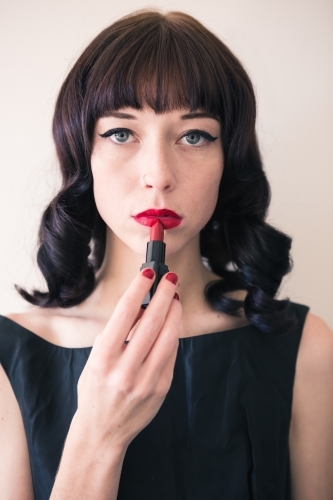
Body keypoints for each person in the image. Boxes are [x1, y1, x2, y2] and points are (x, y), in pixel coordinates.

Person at [0, 9, 332, 500]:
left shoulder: (305, 347)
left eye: (194, 135)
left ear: (229, 159)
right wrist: (98, 435)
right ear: (82, 154)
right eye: (120, 133)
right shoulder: (10, 360)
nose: (158, 174)